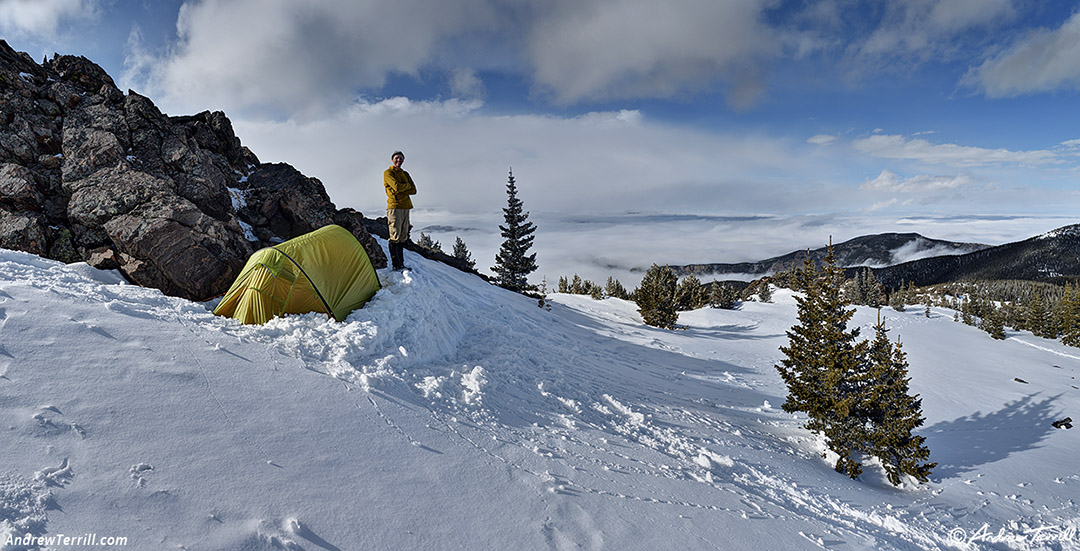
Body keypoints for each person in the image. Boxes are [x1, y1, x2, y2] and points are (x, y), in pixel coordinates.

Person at [383, 150, 416, 270]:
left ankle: (401, 264)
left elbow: (414, 190)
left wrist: (402, 188)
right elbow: (396, 187)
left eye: (401, 158)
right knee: (395, 235)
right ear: (392, 159)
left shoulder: (405, 174)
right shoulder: (388, 173)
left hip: (406, 207)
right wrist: (405, 186)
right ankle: (396, 265)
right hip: (395, 206)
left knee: (403, 236)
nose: (399, 160)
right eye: (397, 158)